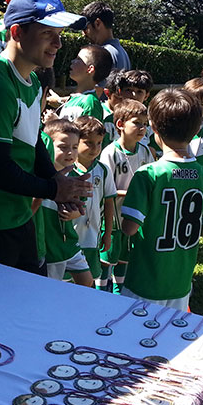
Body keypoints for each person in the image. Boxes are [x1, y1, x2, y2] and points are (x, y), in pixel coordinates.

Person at [0, 0, 92, 273]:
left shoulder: (29, 81)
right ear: (17, 33)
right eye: (47, 33)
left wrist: (59, 182)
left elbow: (32, 143)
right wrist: (54, 188)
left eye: (59, 35)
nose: (57, 43)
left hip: (19, 218)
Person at [121, 88, 203, 310]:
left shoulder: (148, 174)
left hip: (144, 282)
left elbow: (130, 228)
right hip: (180, 283)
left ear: (153, 127)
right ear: (195, 131)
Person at [99, 98, 156, 292]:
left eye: (145, 124)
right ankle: (100, 297)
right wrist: (132, 193)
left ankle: (119, 297)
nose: (142, 128)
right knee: (106, 263)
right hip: (113, 220)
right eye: (137, 123)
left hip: (133, 220)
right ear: (120, 125)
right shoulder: (110, 152)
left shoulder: (146, 151)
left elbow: (150, 181)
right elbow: (106, 190)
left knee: (124, 262)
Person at [37, 118, 93, 286]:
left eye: (75, 147)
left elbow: (80, 208)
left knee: (87, 282)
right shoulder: (38, 178)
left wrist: (74, 213)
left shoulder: (75, 177)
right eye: (63, 147)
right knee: (51, 289)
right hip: (49, 247)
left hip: (69, 242)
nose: (70, 152)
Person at [72, 116, 116, 291]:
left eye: (99, 143)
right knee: (67, 280)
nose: (95, 148)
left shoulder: (103, 170)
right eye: (89, 143)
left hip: (92, 236)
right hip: (70, 237)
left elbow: (109, 202)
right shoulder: (65, 169)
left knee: (88, 281)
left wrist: (108, 233)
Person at [58, 44, 112, 122]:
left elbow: (89, 133)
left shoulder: (90, 102)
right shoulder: (77, 98)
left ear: (90, 69)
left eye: (78, 59)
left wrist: (54, 121)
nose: (73, 61)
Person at [81, 1, 131, 71]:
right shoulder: (123, 53)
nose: (83, 34)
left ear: (97, 23)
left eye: (85, 28)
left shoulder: (103, 54)